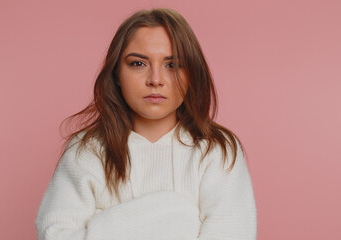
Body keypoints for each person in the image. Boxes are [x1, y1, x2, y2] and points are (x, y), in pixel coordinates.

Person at [35, 8, 257, 240]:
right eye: (138, 64)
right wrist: (179, 217)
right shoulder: (85, 151)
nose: (155, 80)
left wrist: (99, 225)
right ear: (116, 74)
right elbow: (54, 235)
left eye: (172, 65)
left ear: (191, 73)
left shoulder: (218, 150)